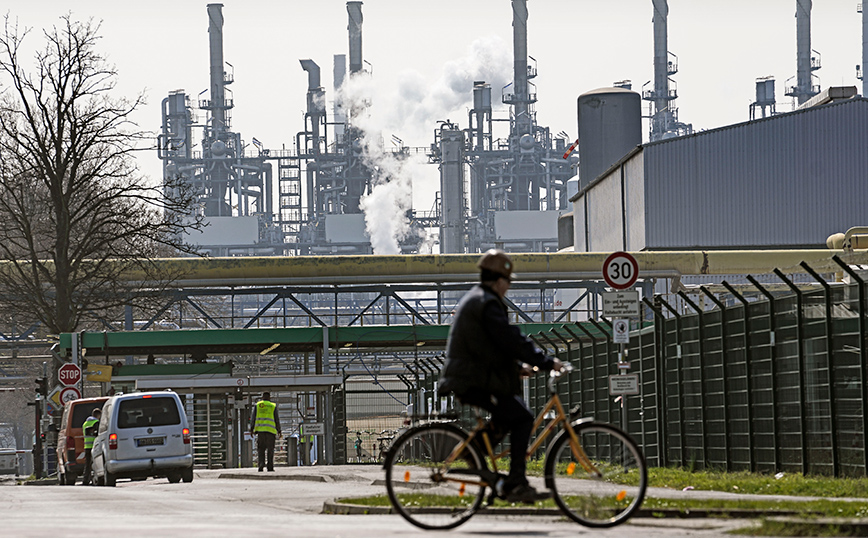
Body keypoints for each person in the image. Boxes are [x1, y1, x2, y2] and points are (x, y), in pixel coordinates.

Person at [439, 249, 562, 504]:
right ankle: (516, 481)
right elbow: (510, 339)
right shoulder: (488, 303)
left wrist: (518, 369)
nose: (508, 287)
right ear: (498, 280)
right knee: (523, 418)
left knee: (509, 415)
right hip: (471, 378)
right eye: (508, 282)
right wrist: (546, 361)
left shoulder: (479, 299)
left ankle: (477, 458)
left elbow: (489, 346)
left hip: (471, 375)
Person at [249, 392, 281, 472]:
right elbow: (276, 419)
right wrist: (279, 430)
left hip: (260, 432)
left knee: (261, 449)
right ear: (269, 397)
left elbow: (253, 418)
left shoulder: (258, 405)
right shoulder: (273, 406)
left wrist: (251, 429)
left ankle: (261, 464)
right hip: (270, 432)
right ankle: (270, 466)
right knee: (270, 450)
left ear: (262, 397)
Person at [81, 408, 101, 486]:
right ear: (98, 415)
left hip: (87, 446)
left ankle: (85, 480)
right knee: (96, 464)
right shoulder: (96, 422)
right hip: (95, 445)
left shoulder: (85, 423)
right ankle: (95, 479)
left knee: (87, 465)